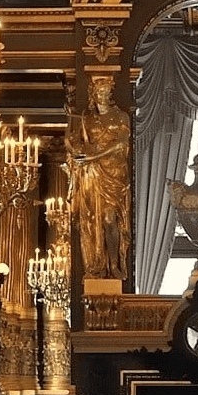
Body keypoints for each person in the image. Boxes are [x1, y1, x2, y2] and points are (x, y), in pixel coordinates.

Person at [70, 77, 131, 281]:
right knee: (92, 220)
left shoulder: (120, 117)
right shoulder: (87, 120)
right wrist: (77, 151)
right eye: (100, 92)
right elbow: (75, 142)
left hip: (114, 173)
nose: (103, 96)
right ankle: (98, 266)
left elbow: (121, 144)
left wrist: (92, 156)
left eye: (106, 92)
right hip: (92, 174)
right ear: (93, 94)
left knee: (110, 219)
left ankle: (114, 265)